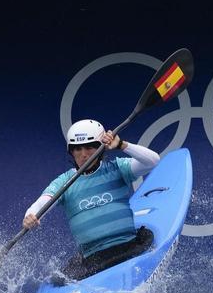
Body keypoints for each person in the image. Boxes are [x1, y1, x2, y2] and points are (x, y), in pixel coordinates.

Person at [22, 119, 161, 280]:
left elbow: (153, 161)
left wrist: (121, 144)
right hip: (94, 262)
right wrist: (31, 215)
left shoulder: (118, 168)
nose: (84, 154)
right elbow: (43, 201)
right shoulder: (64, 182)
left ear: (101, 148)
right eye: (77, 149)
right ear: (71, 152)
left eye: (90, 147)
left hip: (129, 248)